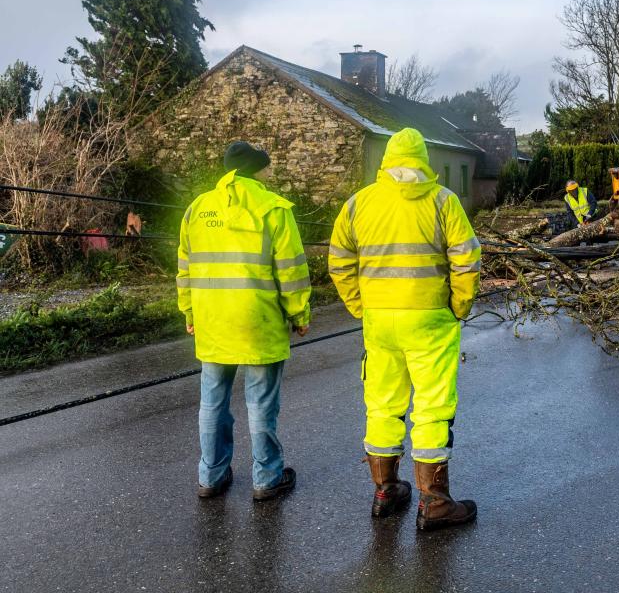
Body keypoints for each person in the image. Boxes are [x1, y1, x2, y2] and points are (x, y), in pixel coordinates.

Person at [328, 128, 481, 531]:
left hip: (379, 322)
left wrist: (360, 305)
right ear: (424, 160)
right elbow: (467, 259)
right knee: (431, 406)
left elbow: (339, 260)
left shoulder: (359, 203)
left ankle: (386, 491)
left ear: (387, 161)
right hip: (430, 319)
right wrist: (459, 306)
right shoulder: (443, 201)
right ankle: (434, 502)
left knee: (382, 404)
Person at [177, 141, 312, 501]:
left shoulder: (198, 209)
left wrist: (189, 312)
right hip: (259, 322)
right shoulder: (274, 208)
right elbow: (292, 271)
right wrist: (300, 314)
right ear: (258, 170)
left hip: (212, 322)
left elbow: (185, 268)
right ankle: (267, 478)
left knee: (212, 402)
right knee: (261, 404)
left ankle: (211, 475)